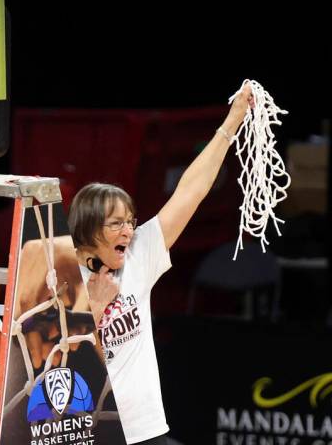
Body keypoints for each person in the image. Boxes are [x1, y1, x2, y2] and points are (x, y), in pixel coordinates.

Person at [65, 83, 255, 444]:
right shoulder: (61, 278)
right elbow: (58, 375)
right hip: (96, 434)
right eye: (116, 224)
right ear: (89, 230)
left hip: (148, 431)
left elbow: (190, 191)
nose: (129, 231)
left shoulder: (138, 254)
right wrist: (95, 310)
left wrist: (232, 121)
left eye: (131, 221)